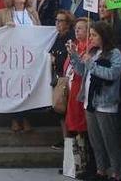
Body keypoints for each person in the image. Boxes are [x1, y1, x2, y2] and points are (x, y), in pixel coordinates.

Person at [66, 21, 121, 181]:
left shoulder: (114, 53)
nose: (91, 38)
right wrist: (74, 56)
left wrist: (90, 63)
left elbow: (112, 74)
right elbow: (81, 71)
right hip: (90, 102)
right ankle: (100, 170)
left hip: (105, 103)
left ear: (103, 36)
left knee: (110, 141)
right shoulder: (93, 52)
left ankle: (116, 173)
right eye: (90, 34)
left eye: (94, 35)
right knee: (96, 141)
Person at [0, 0, 40, 132]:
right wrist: (4, 29)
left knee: (26, 88)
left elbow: (40, 31)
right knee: (14, 88)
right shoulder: (3, 13)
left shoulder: (32, 12)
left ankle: (26, 118)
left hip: (29, 56)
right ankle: (15, 118)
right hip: (11, 57)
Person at [64, 17, 94, 178]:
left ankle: (85, 164)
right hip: (72, 91)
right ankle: (75, 164)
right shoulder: (75, 45)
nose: (77, 31)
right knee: (74, 127)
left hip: (81, 92)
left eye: (81, 28)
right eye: (76, 28)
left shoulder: (89, 48)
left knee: (83, 128)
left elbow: (81, 69)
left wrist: (74, 54)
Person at [49, 10, 74, 149]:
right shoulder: (57, 37)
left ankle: (69, 139)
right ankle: (65, 139)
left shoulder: (69, 39)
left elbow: (67, 60)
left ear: (68, 23)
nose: (57, 23)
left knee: (66, 111)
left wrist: (54, 60)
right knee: (60, 112)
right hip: (58, 79)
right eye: (56, 20)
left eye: (61, 21)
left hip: (67, 79)